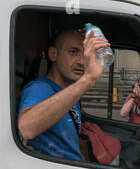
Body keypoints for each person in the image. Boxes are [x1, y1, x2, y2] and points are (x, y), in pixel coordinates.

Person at [17, 29, 110, 160]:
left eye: (86, 55)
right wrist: (88, 79)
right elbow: (26, 128)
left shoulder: (70, 91)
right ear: (53, 54)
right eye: (73, 52)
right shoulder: (40, 88)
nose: (82, 62)